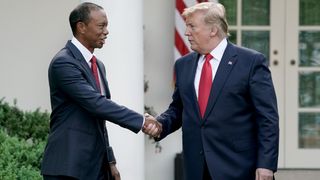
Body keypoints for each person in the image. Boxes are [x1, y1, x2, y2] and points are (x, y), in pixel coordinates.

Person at [147, 2, 279, 180]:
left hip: (238, 167)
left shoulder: (251, 62)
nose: (186, 32)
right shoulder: (183, 65)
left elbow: (267, 118)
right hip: (196, 167)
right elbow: (179, 108)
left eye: (192, 26)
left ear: (213, 30)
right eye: (186, 26)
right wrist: (160, 124)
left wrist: (266, 164)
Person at [41, 2, 161, 180]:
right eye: (101, 26)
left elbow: (99, 119)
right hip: (68, 166)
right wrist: (141, 121)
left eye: (107, 26)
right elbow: (96, 104)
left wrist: (110, 161)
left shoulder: (98, 66)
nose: (107, 31)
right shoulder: (64, 63)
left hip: (96, 166)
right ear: (81, 27)